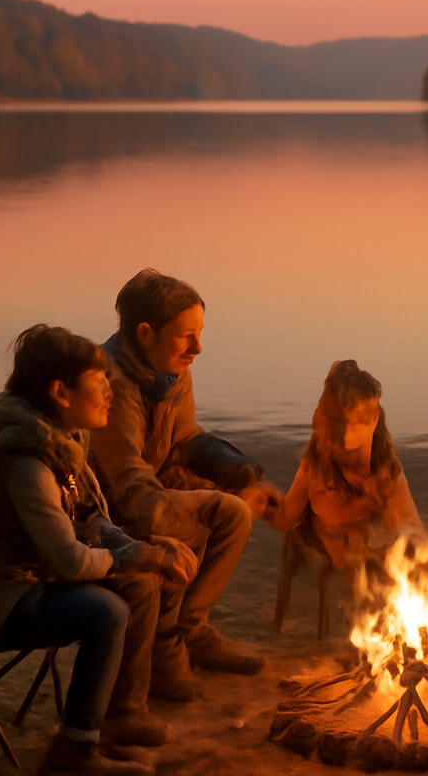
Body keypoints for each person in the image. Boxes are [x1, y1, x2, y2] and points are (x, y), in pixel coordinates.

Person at [0, 325, 198, 776]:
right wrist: (137, 556)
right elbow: (70, 560)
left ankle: (117, 718)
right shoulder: (26, 458)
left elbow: (86, 515)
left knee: (142, 581)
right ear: (60, 391)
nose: (109, 393)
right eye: (99, 383)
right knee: (106, 611)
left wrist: (140, 548)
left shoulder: (58, 433)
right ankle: (74, 753)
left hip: (32, 576)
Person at [90, 269, 285, 698]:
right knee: (219, 514)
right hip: (111, 510)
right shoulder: (108, 384)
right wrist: (208, 509)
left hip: (152, 487)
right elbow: (127, 485)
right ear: (145, 333)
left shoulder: (170, 369)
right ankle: (166, 646)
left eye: (199, 334)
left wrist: (246, 473)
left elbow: (187, 439)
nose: (198, 349)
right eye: (186, 337)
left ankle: (188, 631)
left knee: (231, 509)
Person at [275, 360, 426, 577]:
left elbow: (411, 527)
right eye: (341, 422)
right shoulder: (314, 466)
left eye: (356, 422)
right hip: (321, 558)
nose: (346, 432)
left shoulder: (386, 472)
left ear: (374, 421)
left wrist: (421, 553)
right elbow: (287, 516)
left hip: (371, 564)